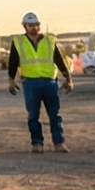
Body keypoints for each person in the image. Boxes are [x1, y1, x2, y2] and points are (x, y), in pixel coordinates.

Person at [6, 12, 73, 152]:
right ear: (25, 26)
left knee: (55, 114)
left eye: (37, 25)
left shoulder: (49, 41)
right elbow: (13, 62)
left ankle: (59, 143)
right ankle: (37, 144)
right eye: (31, 25)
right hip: (30, 83)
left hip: (49, 81)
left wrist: (68, 79)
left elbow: (59, 60)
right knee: (33, 115)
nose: (34, 28)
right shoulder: (18, 42)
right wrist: (11, 80)